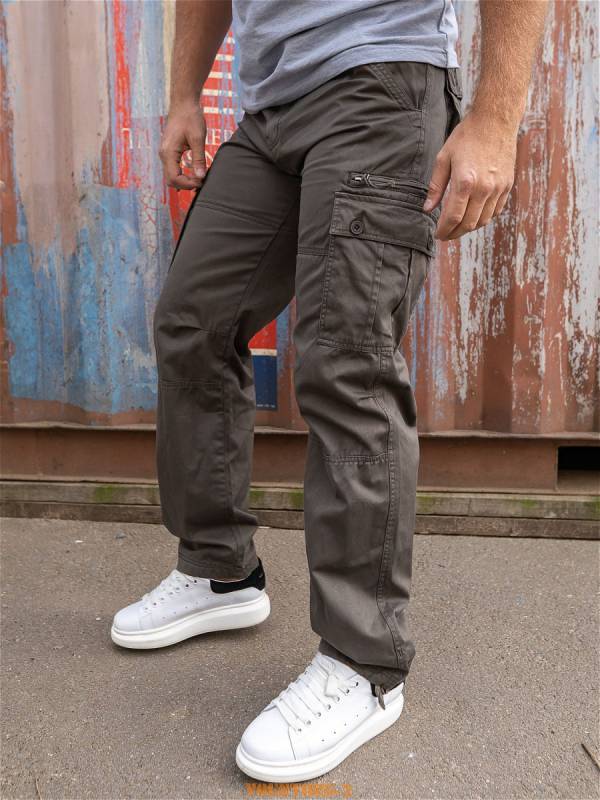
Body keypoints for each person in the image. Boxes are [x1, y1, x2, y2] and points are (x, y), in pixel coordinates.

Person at [111, 0, 547, 783]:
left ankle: (363, 663)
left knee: (346, 361)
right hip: (272, 104)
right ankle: (219, 568)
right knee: (193, 322)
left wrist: (495, 118)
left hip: (381, 79)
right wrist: (183, 96)